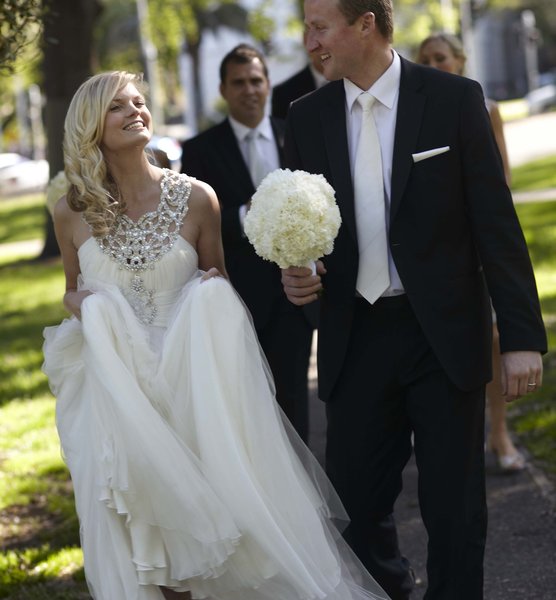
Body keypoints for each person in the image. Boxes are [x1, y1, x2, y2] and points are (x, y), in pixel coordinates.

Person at [42, 70, 391, 600]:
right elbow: (72, 290)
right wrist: (91, 306)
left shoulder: (197, 199)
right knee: (143, 533)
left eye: (140, 101)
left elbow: (217, 281)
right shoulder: (71, 211)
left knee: (216, 524)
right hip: (118, 391)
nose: (136, 111)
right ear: (90, 124)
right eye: (118, 106)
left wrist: (213, 293)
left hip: (194, 385)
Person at [280, 1, 546, 599]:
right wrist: (297, 276)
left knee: (455, 511)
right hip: (355, 337)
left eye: (320, 27)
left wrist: (523, 338)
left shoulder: (455, 100)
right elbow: (302, 233)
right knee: (356, 509)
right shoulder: (306, 116)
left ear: (366, 23)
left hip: (444, 336)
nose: (310, 41)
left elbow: (496, 225)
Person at [180, 44, 315, 441]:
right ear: (223, 89)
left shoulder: (296, 133)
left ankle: (303, 494)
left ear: (268, 83)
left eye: (256, 80)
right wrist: (248, 214)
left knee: (295, 402)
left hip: (295, 296)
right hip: (238, 296)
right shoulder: (200, 151)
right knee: (247, 403)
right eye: (238, 83)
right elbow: (192, 226)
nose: (249, 90)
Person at [416, 32, 523, 472]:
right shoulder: (414, 112)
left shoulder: (485, 108)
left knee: (495, 340)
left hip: (479, 242)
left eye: (441, 57)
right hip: (435, 249)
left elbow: (501, 179)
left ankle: (499, 433)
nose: (433, 64)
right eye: (425, 59)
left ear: (460, 60)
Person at [271, 35, 328, 119]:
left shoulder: (350, 81)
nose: (325, 49)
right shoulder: (283, 93)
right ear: (305, 42)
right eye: (318, 42)